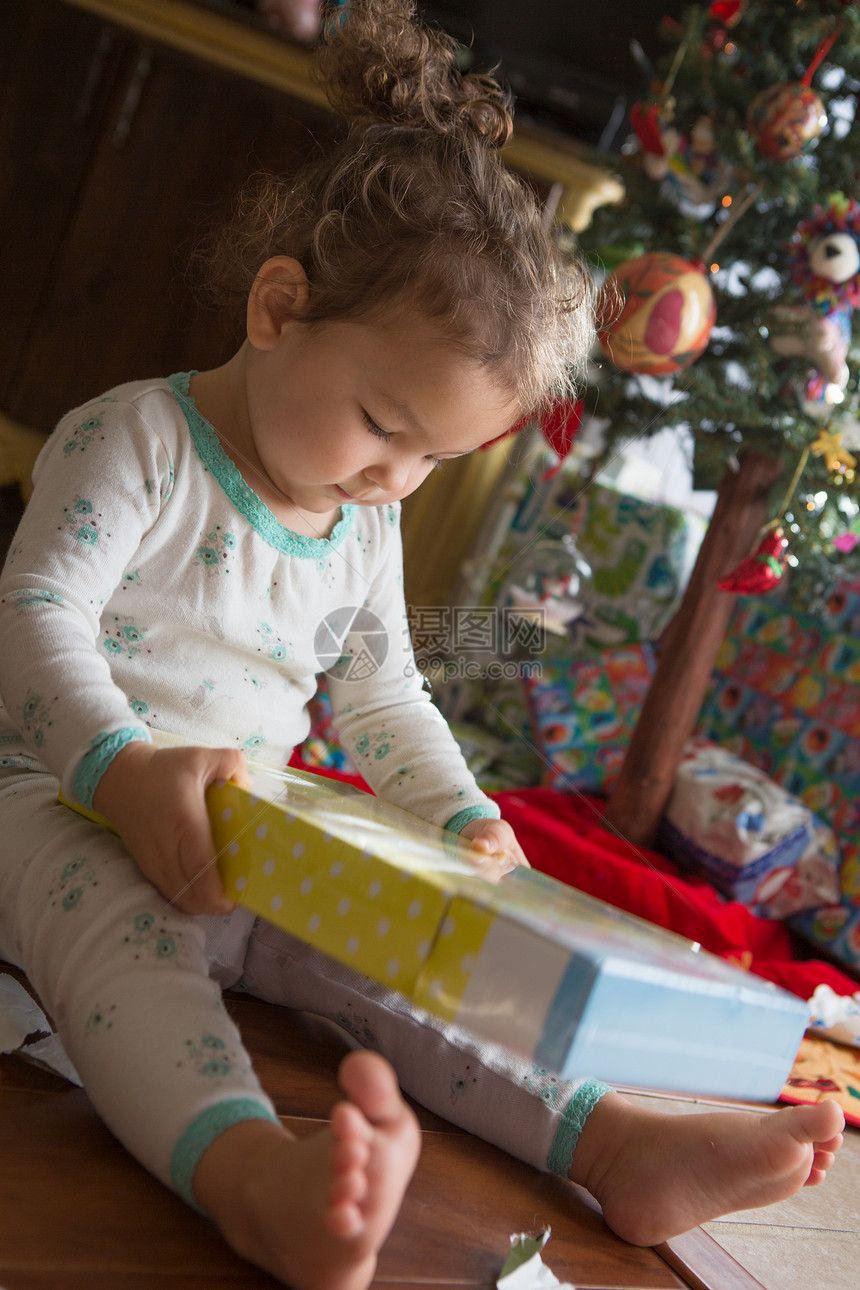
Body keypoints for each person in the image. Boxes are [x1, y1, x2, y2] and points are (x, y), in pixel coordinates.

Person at [0, 2, 844, 1287]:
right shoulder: (135, 443)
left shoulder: (357, 520)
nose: (394, 478)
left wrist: (455, 821)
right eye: (380, 424)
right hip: (60, 805)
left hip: (253, 831)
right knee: (131, 962)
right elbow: (32, 615)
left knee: (405, 972)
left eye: (431, 459)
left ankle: (609, 1140)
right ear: (278, 307)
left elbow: (383, 693)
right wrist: (119, 769)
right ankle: (246, 1177)